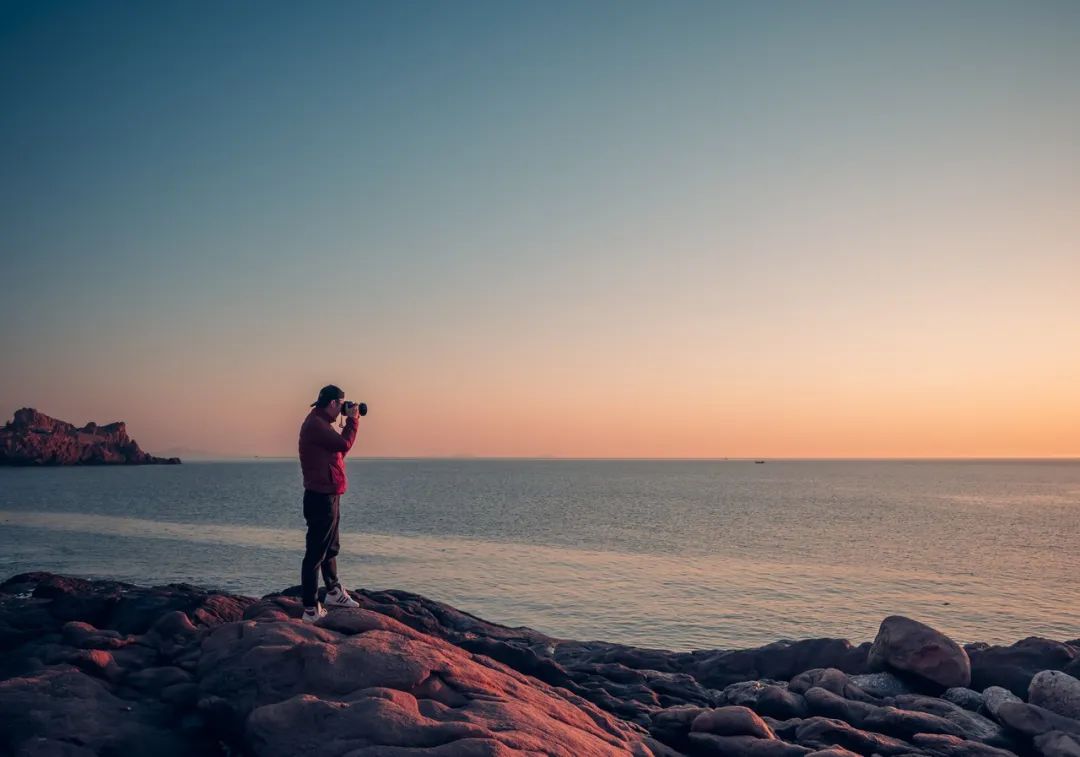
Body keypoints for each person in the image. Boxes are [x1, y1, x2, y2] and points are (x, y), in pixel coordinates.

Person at [297, 384, 362, 622]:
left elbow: (338, 452)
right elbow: (344, 445)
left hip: (328, 493)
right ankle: (310, 609)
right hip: (320, 496)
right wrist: (353, 421)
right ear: (333, 403)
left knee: (330, 547)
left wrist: (348, 424)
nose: (344, 409)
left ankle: (333, 591)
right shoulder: (316, 425)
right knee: (315, 552)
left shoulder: (321, 423)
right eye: (342, 405)